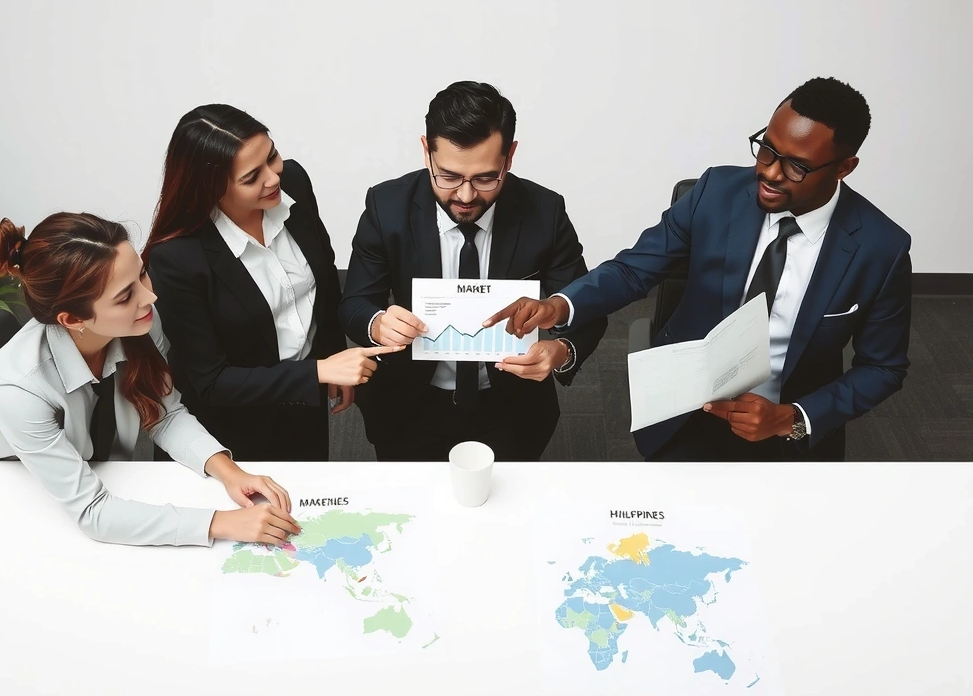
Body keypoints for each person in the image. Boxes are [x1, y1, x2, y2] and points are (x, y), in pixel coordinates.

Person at [0, 212, 301, 696]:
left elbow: (163, 411)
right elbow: (93, 512)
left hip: (70, 477)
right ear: (72, 319)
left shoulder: (134, 325)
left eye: (142, 275)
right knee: (60, 621)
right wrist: (222, 523)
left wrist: (228, 471)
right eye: (127, 293)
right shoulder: (16, 388)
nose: (150, 297)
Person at [486, 77, 912, 461]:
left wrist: (792, 418)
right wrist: (558, 306)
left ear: (844, 168)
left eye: (796, 166)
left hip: (787, 428)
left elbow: (883, 367)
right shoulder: (717, 193)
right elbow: (633, 270)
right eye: (766, 148)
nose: (768, 171)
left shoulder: (881, 249)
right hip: (686, 410)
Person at [338, 81, 607, 460]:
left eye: (485, 178)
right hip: (408, 404)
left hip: (511, 406)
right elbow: (354, 303)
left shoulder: (545, 212)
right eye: (448, 176)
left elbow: (587, 308)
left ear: (510, 157)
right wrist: (377, 323)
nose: (465, 196)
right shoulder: (387, 207)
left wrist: (561, 351)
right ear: (426, 151)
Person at [143, 105, 400, 462]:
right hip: (227, 430)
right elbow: (212, 382)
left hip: (303, 405)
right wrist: (319, 371)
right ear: (210, 188)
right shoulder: (176, 257)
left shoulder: (293, 182)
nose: (273, 178)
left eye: (272, 156)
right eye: (252, 177)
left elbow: (325, 282)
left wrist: (331, 357)